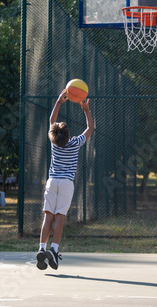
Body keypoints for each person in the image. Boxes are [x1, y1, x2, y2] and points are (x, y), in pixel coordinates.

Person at [36, 88, 94, 270]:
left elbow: (51, 121)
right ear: (69, 135)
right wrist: (86, 109)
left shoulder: (54, 143)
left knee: (48, 216)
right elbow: (90, 128)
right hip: (67, 183)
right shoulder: (75, 143)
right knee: (60, 216)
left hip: (52, 181)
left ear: (54, 135)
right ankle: (53, 249)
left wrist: (59, 101)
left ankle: (41, 248)